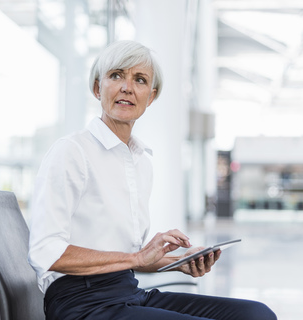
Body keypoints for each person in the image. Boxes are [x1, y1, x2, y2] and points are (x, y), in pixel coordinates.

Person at [28, 40, 276, 320]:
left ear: (151, 96)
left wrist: (178, 262)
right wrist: (136, 259)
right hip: (81, 303)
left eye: (140, 80)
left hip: (128, 292)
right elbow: (46, 252)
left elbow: (126, 259)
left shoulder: (140, 163)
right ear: (98, 88)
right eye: (116, 75)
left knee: (257, 315)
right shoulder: (71, 151)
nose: (127, 87)